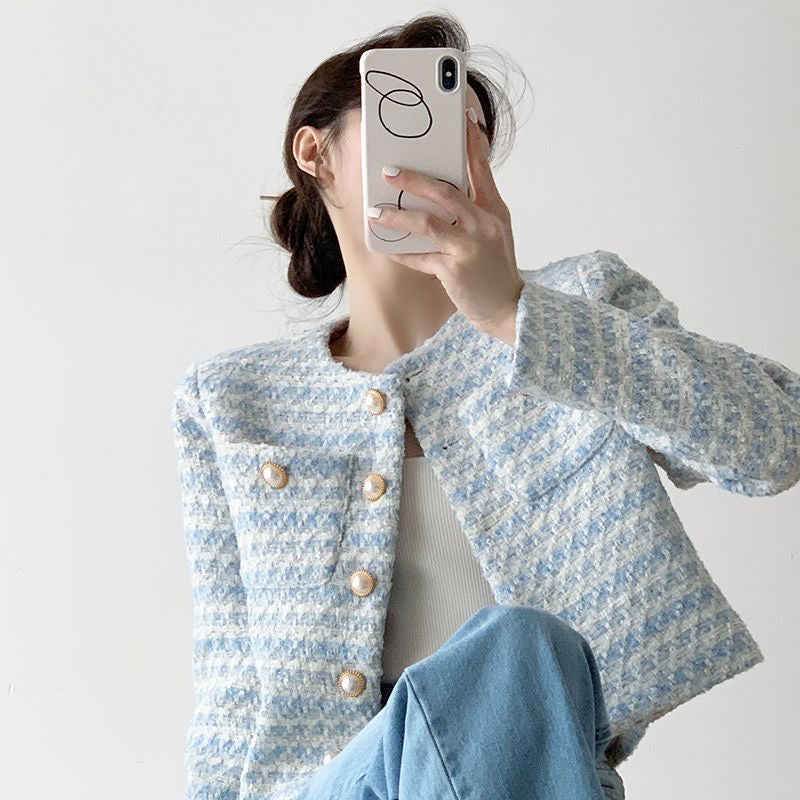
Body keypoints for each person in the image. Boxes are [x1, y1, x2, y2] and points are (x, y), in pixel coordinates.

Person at [171, 11, 800, 800]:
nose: (448, 153)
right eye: (412, 116)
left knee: (518, 647)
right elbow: (229, 687)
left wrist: (514, 313)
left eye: (468, 134)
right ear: (315, 151)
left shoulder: (579, 309)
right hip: (326, 787)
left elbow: (777, 442)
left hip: (531, 773)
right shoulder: (230, 400)